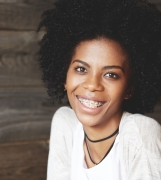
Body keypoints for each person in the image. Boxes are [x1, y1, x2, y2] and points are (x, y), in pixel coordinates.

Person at [38, 0, 161, 179]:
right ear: (63, 75)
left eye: (111, 74)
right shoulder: (66, 125)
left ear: (130, 88)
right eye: (81, 69)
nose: (92, 84)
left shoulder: (139, 133)